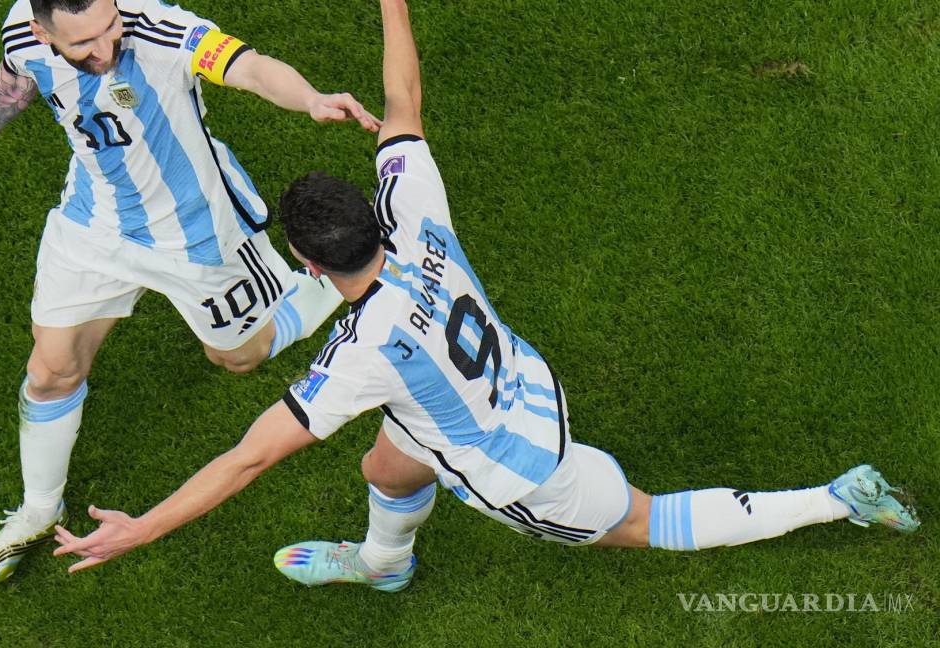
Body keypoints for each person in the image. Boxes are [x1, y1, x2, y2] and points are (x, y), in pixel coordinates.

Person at [52, 0, 921, 586]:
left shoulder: (358, 359)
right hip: (494, 383)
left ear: (309, 268)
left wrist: (143, 529)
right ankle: (385, 565)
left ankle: (834, 500)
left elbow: (248, 456)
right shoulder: (416, 214)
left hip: (525, 465)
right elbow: (405, 100)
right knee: (384, 461)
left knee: (644, 522)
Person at [0, 0, 382, 588]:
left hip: (197, 231)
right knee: (50, 371)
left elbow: (248, 67)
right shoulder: (21, 30)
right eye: (83, 45)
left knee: (238, 357)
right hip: (94, 219)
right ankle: (38, 510)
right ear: (39, 28)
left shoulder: (157, 28)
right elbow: (17, 77)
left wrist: (308, 98)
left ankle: (315, 286)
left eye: (109, 28)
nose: (106, 49)